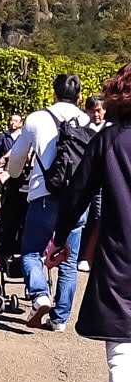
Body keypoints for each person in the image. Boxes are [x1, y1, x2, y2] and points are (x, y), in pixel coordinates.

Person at [45, 64, 131, 382]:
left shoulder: (109, 140)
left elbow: (78, 190)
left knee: (122, 346)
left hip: (121, 255)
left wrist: (61, 237)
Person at [6, 74, 91, 331]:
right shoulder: (88, 121)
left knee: (32, 251)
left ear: (53, 94)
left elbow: (17, 160)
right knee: (68, 258)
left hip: (43, 196)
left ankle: (40, 294)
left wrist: (13, 174)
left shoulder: (36, 118)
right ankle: (59, 319)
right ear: (79, 97)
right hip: (77, 201)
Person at [78, 95, 108, 273]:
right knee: (80, 219)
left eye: (99, 110)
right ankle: (78, 253)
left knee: (98, 218)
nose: (96, 114)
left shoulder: (110, 129)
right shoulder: (82, 129)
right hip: (85, 182)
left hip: (102, 184)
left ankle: (90, 256)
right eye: (92, 111)